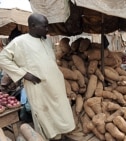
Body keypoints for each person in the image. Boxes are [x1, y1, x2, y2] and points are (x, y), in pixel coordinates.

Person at [0, 13, 75, 141]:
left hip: (55, 85)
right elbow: (3, 58)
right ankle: (47, 137)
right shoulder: (19, 42)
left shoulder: (46, 40)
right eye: (44, 26)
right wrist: (24, 74)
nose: (47, 29)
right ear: (33, 26)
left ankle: (60, 135)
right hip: (38, 86)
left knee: (61, 111)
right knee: (43, 114)